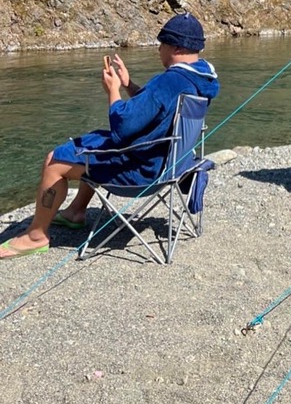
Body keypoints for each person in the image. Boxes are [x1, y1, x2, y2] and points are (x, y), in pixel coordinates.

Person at [0, 13, 219, 259]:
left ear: (176, 46)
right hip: (170, 164)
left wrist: (112, 91)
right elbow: (158, 110)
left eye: (162, 44)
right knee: (93, 142)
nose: (159, 49)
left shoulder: (169, 81)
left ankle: (35, 236)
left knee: (55, 160)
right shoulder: (200, 79)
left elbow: (123, 127)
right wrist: (129, 85)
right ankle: (75, 211)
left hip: (142, 172)